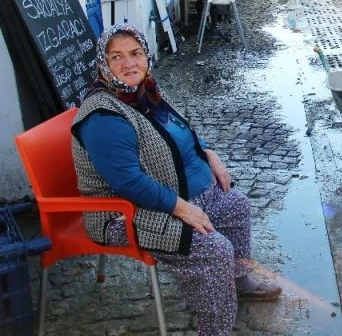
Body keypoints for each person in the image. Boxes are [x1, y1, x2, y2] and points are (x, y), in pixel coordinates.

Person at [71, 24, 281, 336]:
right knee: (213, 249)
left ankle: (237, 281)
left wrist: (209, 153)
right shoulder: (103, 117)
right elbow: (128, 183)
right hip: (126, 212)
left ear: (146, 56)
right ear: (103, 65)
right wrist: (182, 208)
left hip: (178, 196)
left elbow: (182, 128)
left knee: (235, 204)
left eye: (136, 53)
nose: (129, 63)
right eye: (116, 57)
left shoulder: (145, 93)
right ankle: (215, 329)